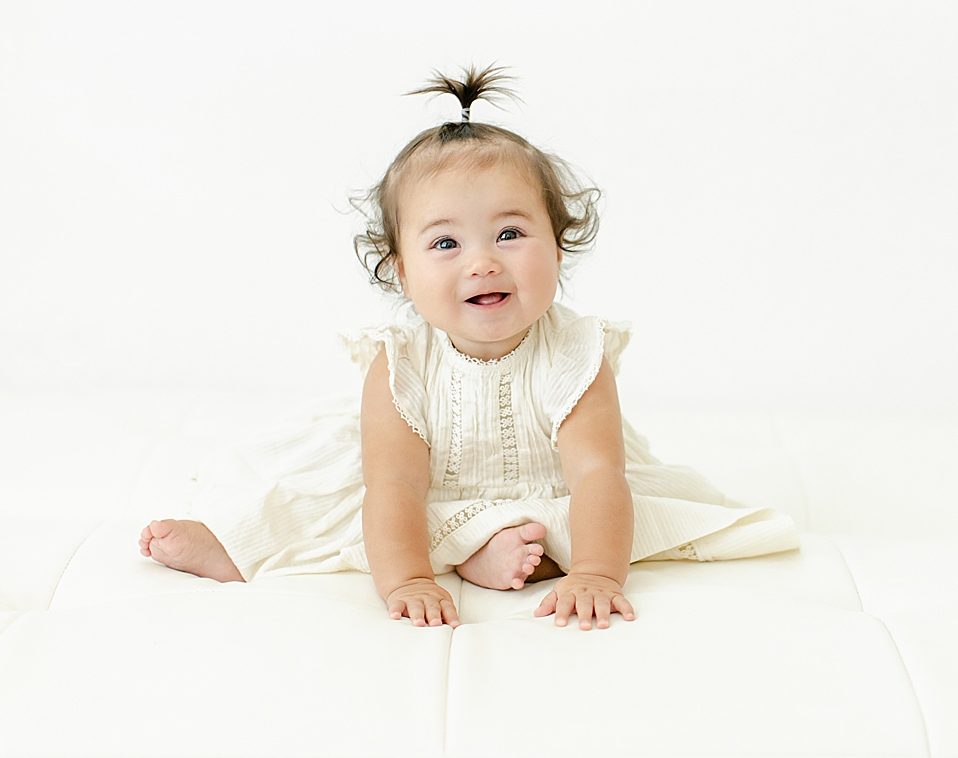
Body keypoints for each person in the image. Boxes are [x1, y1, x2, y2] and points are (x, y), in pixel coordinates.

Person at [137, 64, 799, 631]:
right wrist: (407, 582)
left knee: (570, 531)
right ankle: (234, 546)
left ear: (558, 244)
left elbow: (597, 474)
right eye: (446, 243)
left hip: (545, 490)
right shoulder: (400, 365)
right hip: (411, 492)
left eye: (510, 233)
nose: (481, 262)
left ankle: (490, 550)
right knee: (332, 517)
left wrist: (598, 572)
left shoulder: (574, 352)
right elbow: (393, 483)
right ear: (400, 270)